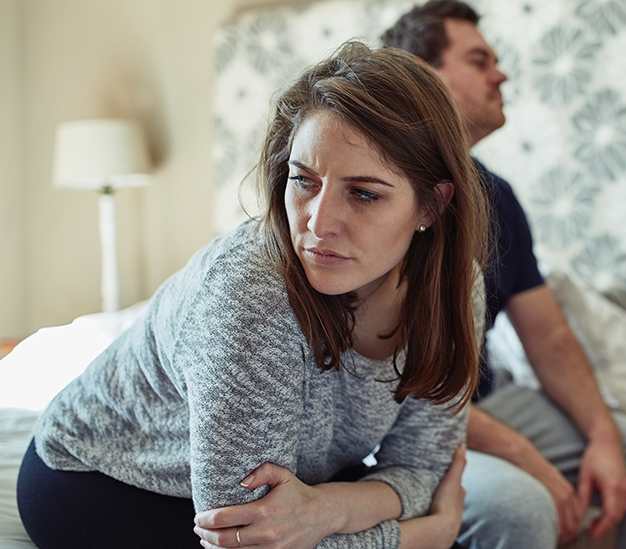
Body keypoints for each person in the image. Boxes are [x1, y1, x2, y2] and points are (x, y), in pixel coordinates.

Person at [17, 41, 489, 549]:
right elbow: (244, 536)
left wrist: (328, 508)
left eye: (364, 193)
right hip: (107, 482)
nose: (318, 222)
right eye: (303, 181)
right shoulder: (249, 293)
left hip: (293, 490)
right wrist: (422, 536)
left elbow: (421, 467)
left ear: (431, 206)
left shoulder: (456, 287)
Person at [382, 3, 626, 548]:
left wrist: (603, 439)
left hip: (484, 403)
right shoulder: (382, 194)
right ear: (424, 73)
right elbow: (395, 389)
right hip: (401, 426)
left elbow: (549, 336)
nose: (500, 74)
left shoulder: (496, 197)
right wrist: (532, 463)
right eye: (480, 60)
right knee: (521, 506)